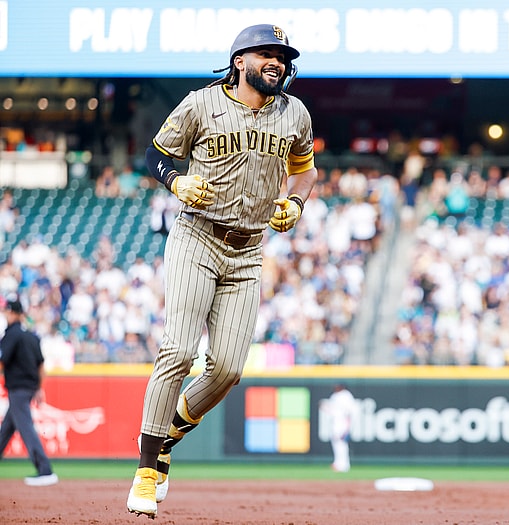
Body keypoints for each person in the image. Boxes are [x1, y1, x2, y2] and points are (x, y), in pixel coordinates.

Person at [126, 23, 318, 519]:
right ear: (239, 61)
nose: (276, 60)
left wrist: (295, 201)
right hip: (198, 236)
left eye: (282, 54)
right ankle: (147, 470)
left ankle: (167, 431)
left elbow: (306, 168)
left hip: (249, 249)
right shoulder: (199, 104)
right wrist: (177, 182)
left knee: (229, 367)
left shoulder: (294, 112)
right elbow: (155, 153)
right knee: (179, 349)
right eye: (265, 52)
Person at [0, 299, 58, 486]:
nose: (7, 315)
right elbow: (41, 366)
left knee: (25, 427)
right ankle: (44, 470)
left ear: (13, 313)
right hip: (30, 387)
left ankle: (45, 470)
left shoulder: (11, 334)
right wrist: (40, 387)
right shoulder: (31, 337)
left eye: (8, 312)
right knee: (7, 429)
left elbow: (2, 361)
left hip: (18, 388)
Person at [320, 383, 356, 472]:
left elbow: (350, 411)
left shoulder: (346, 395)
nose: (336, 387)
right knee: (337, 443)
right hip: (335, 422)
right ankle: (338, 463)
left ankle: (344, 465)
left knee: (342, 444)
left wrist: (348, 426)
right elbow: (332, 411)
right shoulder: (334, 396)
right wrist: (325, 407)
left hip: (343, 422)